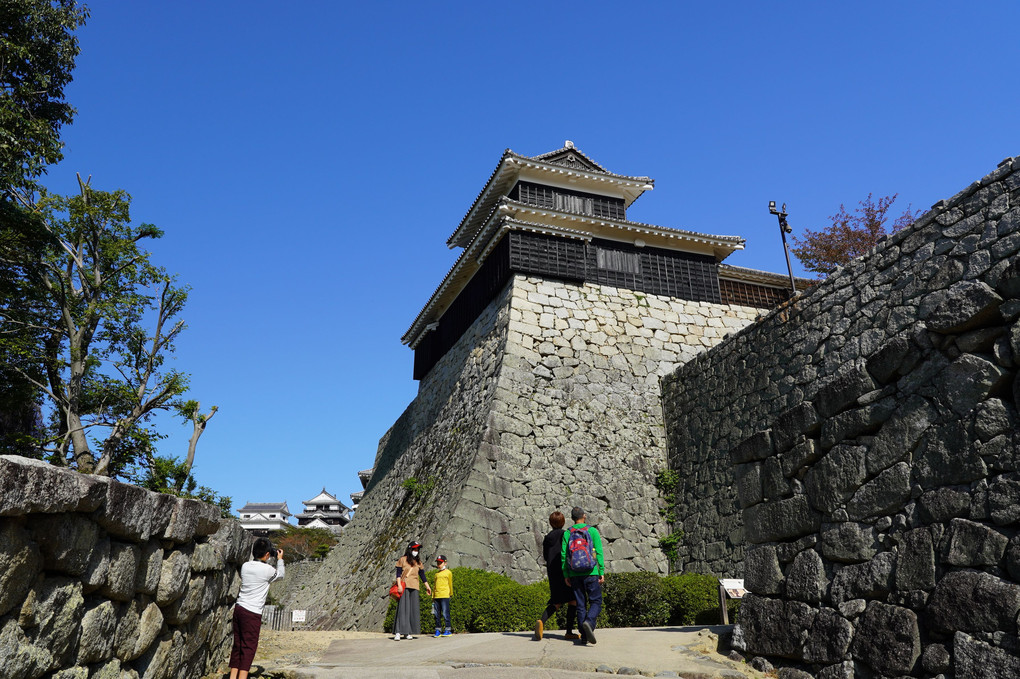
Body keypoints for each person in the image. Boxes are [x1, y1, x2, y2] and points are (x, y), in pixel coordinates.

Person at [229, 538, 285, 679]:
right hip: (252, 612)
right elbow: (281, 575)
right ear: (267, 554)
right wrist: (279, 559)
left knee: (238, 645)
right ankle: (242, 677)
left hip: (239, 608)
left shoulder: (245, 566)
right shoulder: (267, 570)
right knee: (249, 647)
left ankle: (233, 676)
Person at [561, 507, 605, 646]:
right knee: (596, 601)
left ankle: (584, 636)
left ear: (573, 518)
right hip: (591, 572)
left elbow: (564, 555)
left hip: (574, 573)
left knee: (580, 605)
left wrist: (566, 574)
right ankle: (589, 622)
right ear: (584, 516)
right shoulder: (592, 531)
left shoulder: (568, 533)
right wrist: (601, 571)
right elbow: (598, 552)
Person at [534, 511, 578, 641]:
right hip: (566, 571)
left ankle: (541, 621)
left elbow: (546, 556)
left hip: (553, 572)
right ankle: (569, 631)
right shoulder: (566, 535)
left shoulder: (547, 537)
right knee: (573, 600)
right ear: (563, 522)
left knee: (556, 602)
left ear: (550, 523)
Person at [393, 540, 432, 640]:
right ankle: (398, 632)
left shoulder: (419, 562)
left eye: (417, 549)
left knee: (411, 610)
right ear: (410, 549)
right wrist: (399, 585)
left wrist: (427, 586)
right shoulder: (402, 559)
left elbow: (422, 575)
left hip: (414, 586)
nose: (416, 550)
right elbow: (398, 574)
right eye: (414, 548)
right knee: (402, 609)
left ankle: (407, 632)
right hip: (404, 586)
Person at [431, 554, 453, 637]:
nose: (439, 564)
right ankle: (438, 629)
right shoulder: (436, 574)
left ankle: (448, 629)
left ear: (445, 563)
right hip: (437, 595)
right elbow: (434, 586)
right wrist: (433, 596)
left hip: (444, 595)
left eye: (440, 563)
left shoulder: (448, 573)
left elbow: (450, 584)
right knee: (437, 614)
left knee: (445, 613)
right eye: (438, 563)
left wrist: (451, 594)